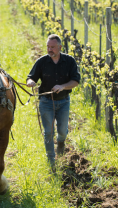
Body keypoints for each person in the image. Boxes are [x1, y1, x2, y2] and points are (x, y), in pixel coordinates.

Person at [27, 34, 80, 166]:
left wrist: (63, 87)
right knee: (48, 131)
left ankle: (61, 142)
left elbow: (76, 81)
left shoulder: (69, 61)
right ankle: (51, 159)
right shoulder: (42, 61)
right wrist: (31, 82)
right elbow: (31, 76)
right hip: (46, 102)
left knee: (62, 131)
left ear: (60, 47)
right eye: (48, 47)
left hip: (63, 102)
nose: (50, 50)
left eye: (53, 47)